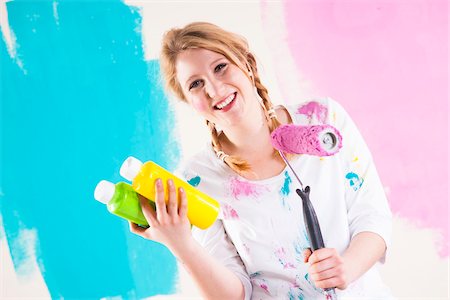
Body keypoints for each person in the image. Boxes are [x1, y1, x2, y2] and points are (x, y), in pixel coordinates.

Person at [129, 22, 393, 300]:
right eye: (196, 84)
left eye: (220, 67)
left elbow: (373, 216)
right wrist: (181, 244)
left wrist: (347, 268)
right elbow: (232, 295)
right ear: (188, 101)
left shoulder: (324, 119)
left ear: (248, 64)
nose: (214, 88)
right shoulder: (197, 179)